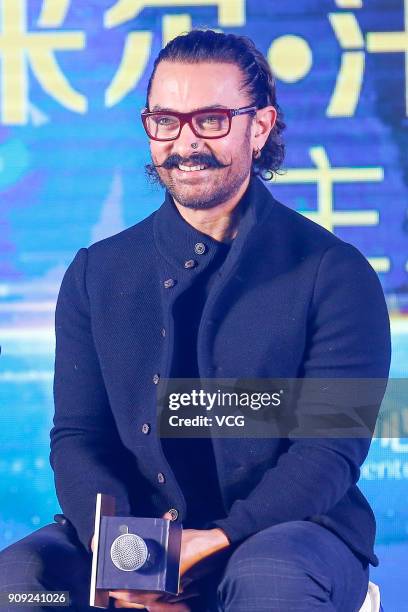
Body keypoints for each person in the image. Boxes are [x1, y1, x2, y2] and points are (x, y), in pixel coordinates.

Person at [0, 29, 391, 612]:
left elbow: (330, 449)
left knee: (270, 583)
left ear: (260, 127)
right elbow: (79, 438)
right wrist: (128, 555)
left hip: (287, 532)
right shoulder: (95, 272)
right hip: (134, 537)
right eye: (165, 120)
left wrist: (214, 540)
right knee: (25, 581)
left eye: (210, 119)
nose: (185, 143)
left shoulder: (335, 274)